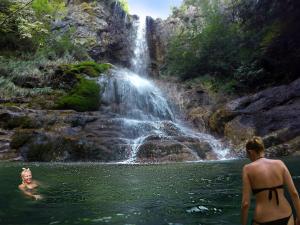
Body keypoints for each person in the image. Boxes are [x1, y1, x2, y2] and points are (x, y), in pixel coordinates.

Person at [241, 136, 300, 225]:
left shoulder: (247, 169)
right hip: (286, 216)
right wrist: (299, 217)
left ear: (250, 152)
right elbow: (294, 193)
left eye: (248, 155)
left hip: (263, 219)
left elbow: (245, 204)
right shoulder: (280, 163)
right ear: (262, 149)